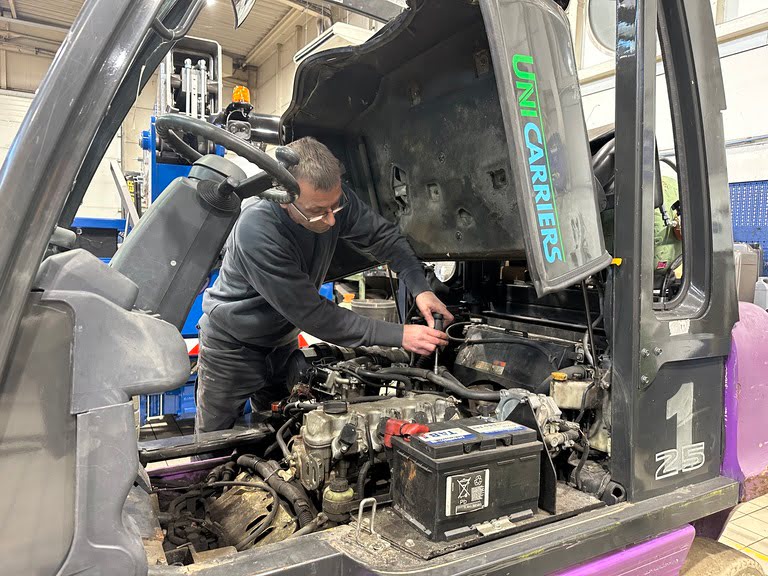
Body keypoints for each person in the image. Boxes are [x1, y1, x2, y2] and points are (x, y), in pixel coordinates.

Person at [195, 137, 453, 433]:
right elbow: (313, 314)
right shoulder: (257, 228)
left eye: (335, 207)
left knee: (282, 435)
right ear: (283, 195)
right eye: (319, 211)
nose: (331, 221)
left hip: (282, 344)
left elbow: (385, 239)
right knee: (213, 447)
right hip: (232, 349)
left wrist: (421, 287)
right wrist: (398, 334)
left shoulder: (331, 203)